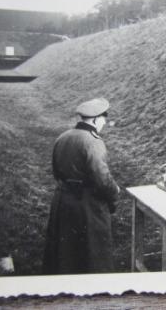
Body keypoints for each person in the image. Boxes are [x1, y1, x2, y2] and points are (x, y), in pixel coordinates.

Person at [43, 97, 120, 274]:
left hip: (62, 201)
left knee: (65, 253)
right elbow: (102, 179)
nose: (104, 122)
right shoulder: (93, 141)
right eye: (103, 119)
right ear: (94, 120)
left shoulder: (62, 137)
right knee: (93, 254)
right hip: (87, 206)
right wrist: (114, 193)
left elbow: (56, 172)